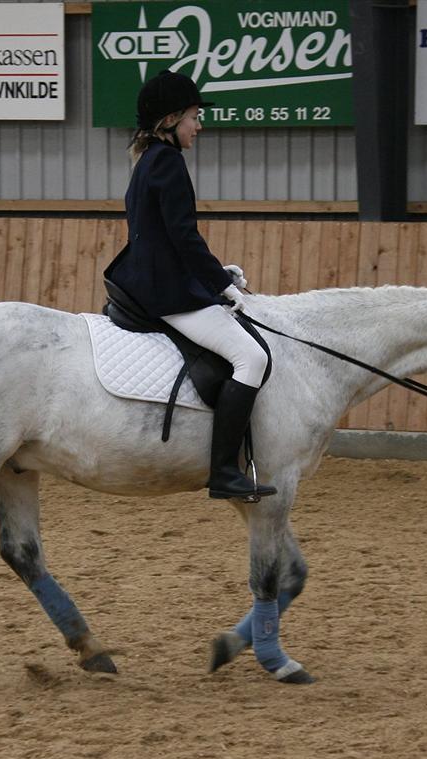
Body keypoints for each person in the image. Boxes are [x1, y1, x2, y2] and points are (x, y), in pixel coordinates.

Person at [104, 70, 276, 501]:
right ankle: (224, 472)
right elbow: (184, 237)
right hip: (166, 292)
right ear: (170, 120)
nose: (199, 126)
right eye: (194, 117)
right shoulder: (168, 162)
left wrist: (219, 275)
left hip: (148, 279)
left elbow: (165, 238)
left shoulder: (147, 159)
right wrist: (222, 285)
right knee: (252, 358)